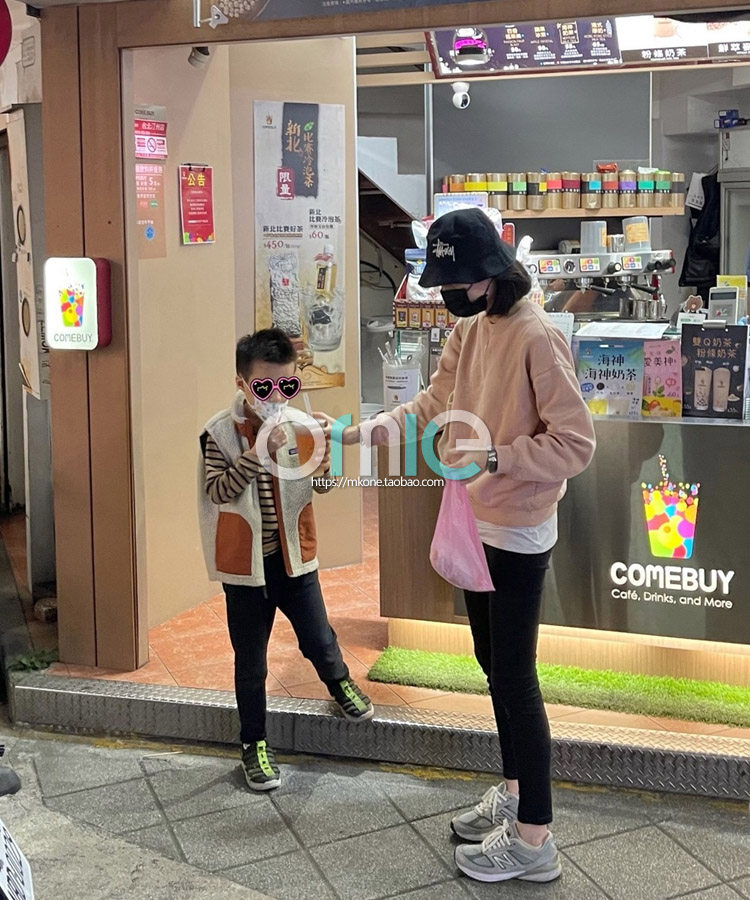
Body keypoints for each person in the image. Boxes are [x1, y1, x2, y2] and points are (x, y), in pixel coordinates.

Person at [342, 208, 596, 884]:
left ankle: (535, 840)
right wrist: (355, 433)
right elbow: (430, 404)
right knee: (493, 665)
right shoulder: (471, 328)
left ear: (488, 276)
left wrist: (495, 457)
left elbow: (576, 444)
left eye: (454, 282)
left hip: (518, 528)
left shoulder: (537, 336)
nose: (447, 293)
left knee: (514, 676)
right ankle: (514, 797)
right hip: (475, 523)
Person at [198, 328, 373, 792]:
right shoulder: (219, 432)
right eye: (263, 386)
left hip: (295, 557)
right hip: (245, 568)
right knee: (251, 661)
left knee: (318, 637)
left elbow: (322, 487)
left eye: (287, 385)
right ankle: (254, 743)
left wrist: (325, 463)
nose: (276, 396)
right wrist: (258, 454)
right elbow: (217, 491)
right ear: (241, 383)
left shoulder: (300, 423)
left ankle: (339, 683)